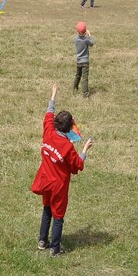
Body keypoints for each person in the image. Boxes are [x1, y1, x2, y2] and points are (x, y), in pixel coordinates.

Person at [31, 84, 93, 256]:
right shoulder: (67, 147)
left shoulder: (48, 131)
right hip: (59, 185)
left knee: (46, 209)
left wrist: (53, 95)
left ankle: (42, 240)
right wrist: (85, 150)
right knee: (58, 215)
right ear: (69, 129)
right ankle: (55, 249)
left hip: (45, 179)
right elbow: (77, 165)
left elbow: (48, 114)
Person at [73, 21, 94, 96]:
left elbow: (78, 38)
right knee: (84, 78)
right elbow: (92, 43)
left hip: (78, 61)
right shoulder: (86, 39)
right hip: (85, 62)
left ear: (77, 31)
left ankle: (75, 88)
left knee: (78, 75)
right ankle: (85, 93)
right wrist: (89, 35)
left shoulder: (75, 39)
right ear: (85, 31)